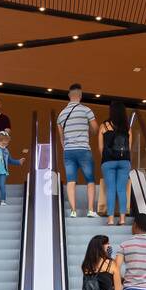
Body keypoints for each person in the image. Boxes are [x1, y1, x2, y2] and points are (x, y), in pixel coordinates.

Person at [57, 84, 97, 217]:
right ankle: (90, 210)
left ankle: (73, 211)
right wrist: (88, 132)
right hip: (84, 149)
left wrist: (67, 147)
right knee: (90, 180)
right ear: (80, 95)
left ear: (69, 96)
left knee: (71, 180)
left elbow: (61, 137)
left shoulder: (61, 115)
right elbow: (95, 129)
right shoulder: (86, 110)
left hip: (68, 151)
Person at [98, 101, 132, 226]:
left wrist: (107, 157)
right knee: (121, 189)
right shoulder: (127, 128)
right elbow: (129, 147)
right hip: (124, 162)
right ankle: (122, 219)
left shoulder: (104, 126)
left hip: (108, 162)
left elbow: (100, 148)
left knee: (111, 189)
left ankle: (111, 219)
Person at [0, 130, 27, 205]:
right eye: (3, 142)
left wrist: (18, 162)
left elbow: (10, 160)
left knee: (2, 185)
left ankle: (3, 200)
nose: (5, 144)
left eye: (6, 143)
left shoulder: (6, 151)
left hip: (3, 171)